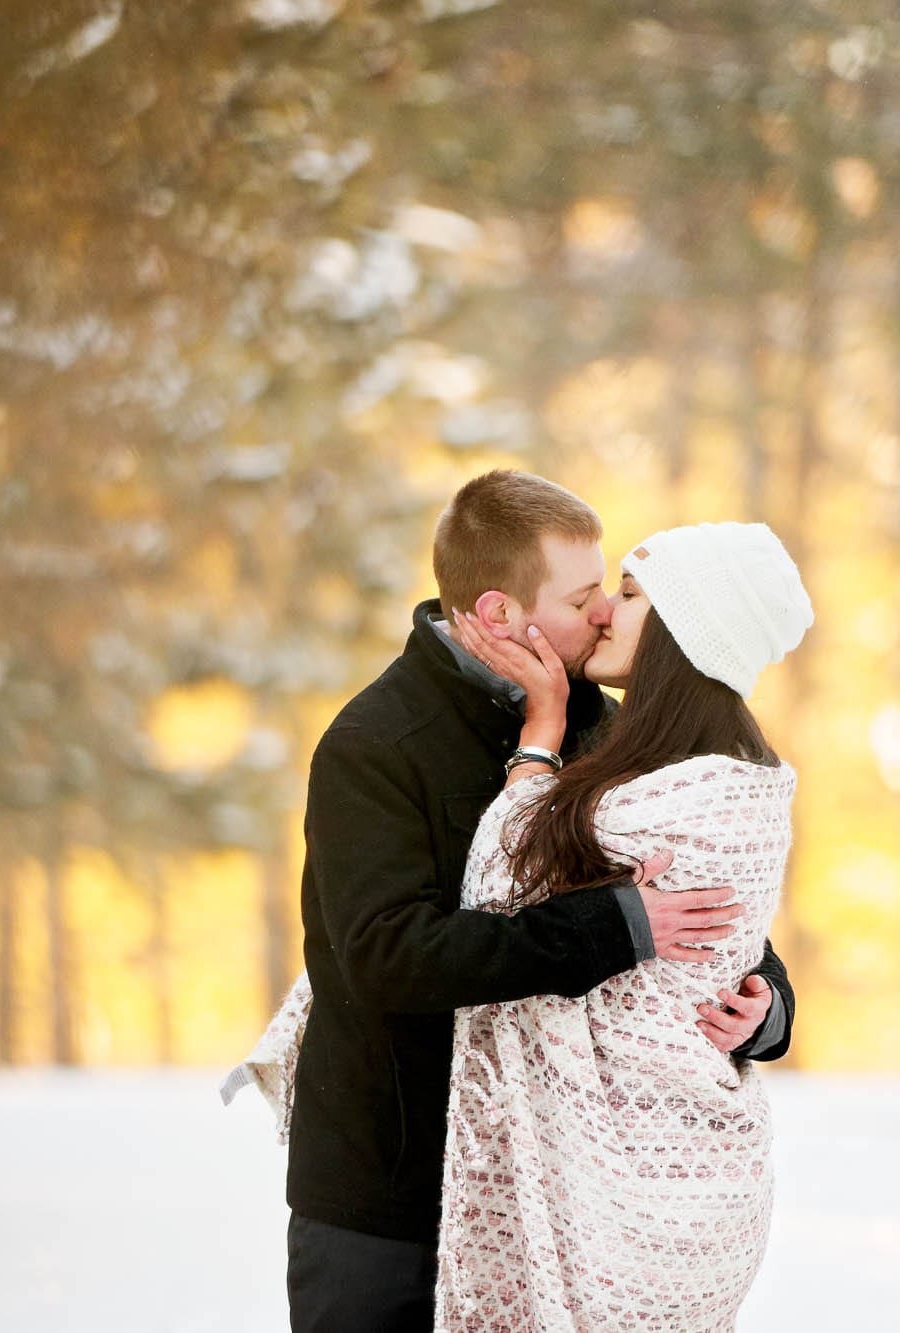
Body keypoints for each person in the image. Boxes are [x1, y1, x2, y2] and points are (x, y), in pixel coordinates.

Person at [223, 472, 797, 1333]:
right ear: (498, 613)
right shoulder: (375, 745)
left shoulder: (605, 729)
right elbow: (390, 955)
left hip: (547, 1199)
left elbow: (700, 912)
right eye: (582, 597)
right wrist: (613, 927)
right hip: (393, 1197)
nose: (606, 612)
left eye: (610, 589)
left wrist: (765, 1009)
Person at [436, 520, 811, 1332]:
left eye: (634, 596)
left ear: (685, 631)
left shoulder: (667, 799)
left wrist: (540, 735)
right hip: (700, 1183)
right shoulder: (725, 772)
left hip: (631, 1193)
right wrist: (766, 1009)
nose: (605, 609)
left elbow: (495, 885)